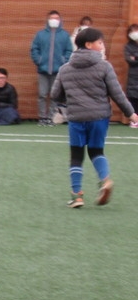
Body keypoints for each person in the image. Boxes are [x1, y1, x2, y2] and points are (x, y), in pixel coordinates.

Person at [51, 27, 138, 209]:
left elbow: (55, 94)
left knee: (76, 155)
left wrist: (70, 98)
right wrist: (131, 113)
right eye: (100, 42)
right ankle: (104, 180)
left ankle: (77, 196)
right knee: (96, 151)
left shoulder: (65, 69)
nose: (102, 45)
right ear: (89, 45)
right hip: (99, 116)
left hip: (76, 117)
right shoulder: (104, 66)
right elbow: (117, 94)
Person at [30, 10, 73, 126]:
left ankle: (51, 117)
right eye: (52, 18)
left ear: (60, 20)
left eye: (56, 18)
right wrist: (38, 61)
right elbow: (34, 49)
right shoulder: (40, 34)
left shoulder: (64, 35)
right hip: (42, 70)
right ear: (48, 20)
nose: (54, 20)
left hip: (58, 71)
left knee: (55, 96)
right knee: (42, 94)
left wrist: (64, 62)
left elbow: (69, 50)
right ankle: (42, 117)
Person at [123, 23, 138, 110]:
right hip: (133, 76)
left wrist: (135, 57)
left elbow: (133, 58)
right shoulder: (128, 46)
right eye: (132, 32)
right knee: (133, 98)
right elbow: (129, 60)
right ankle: (135, 119)